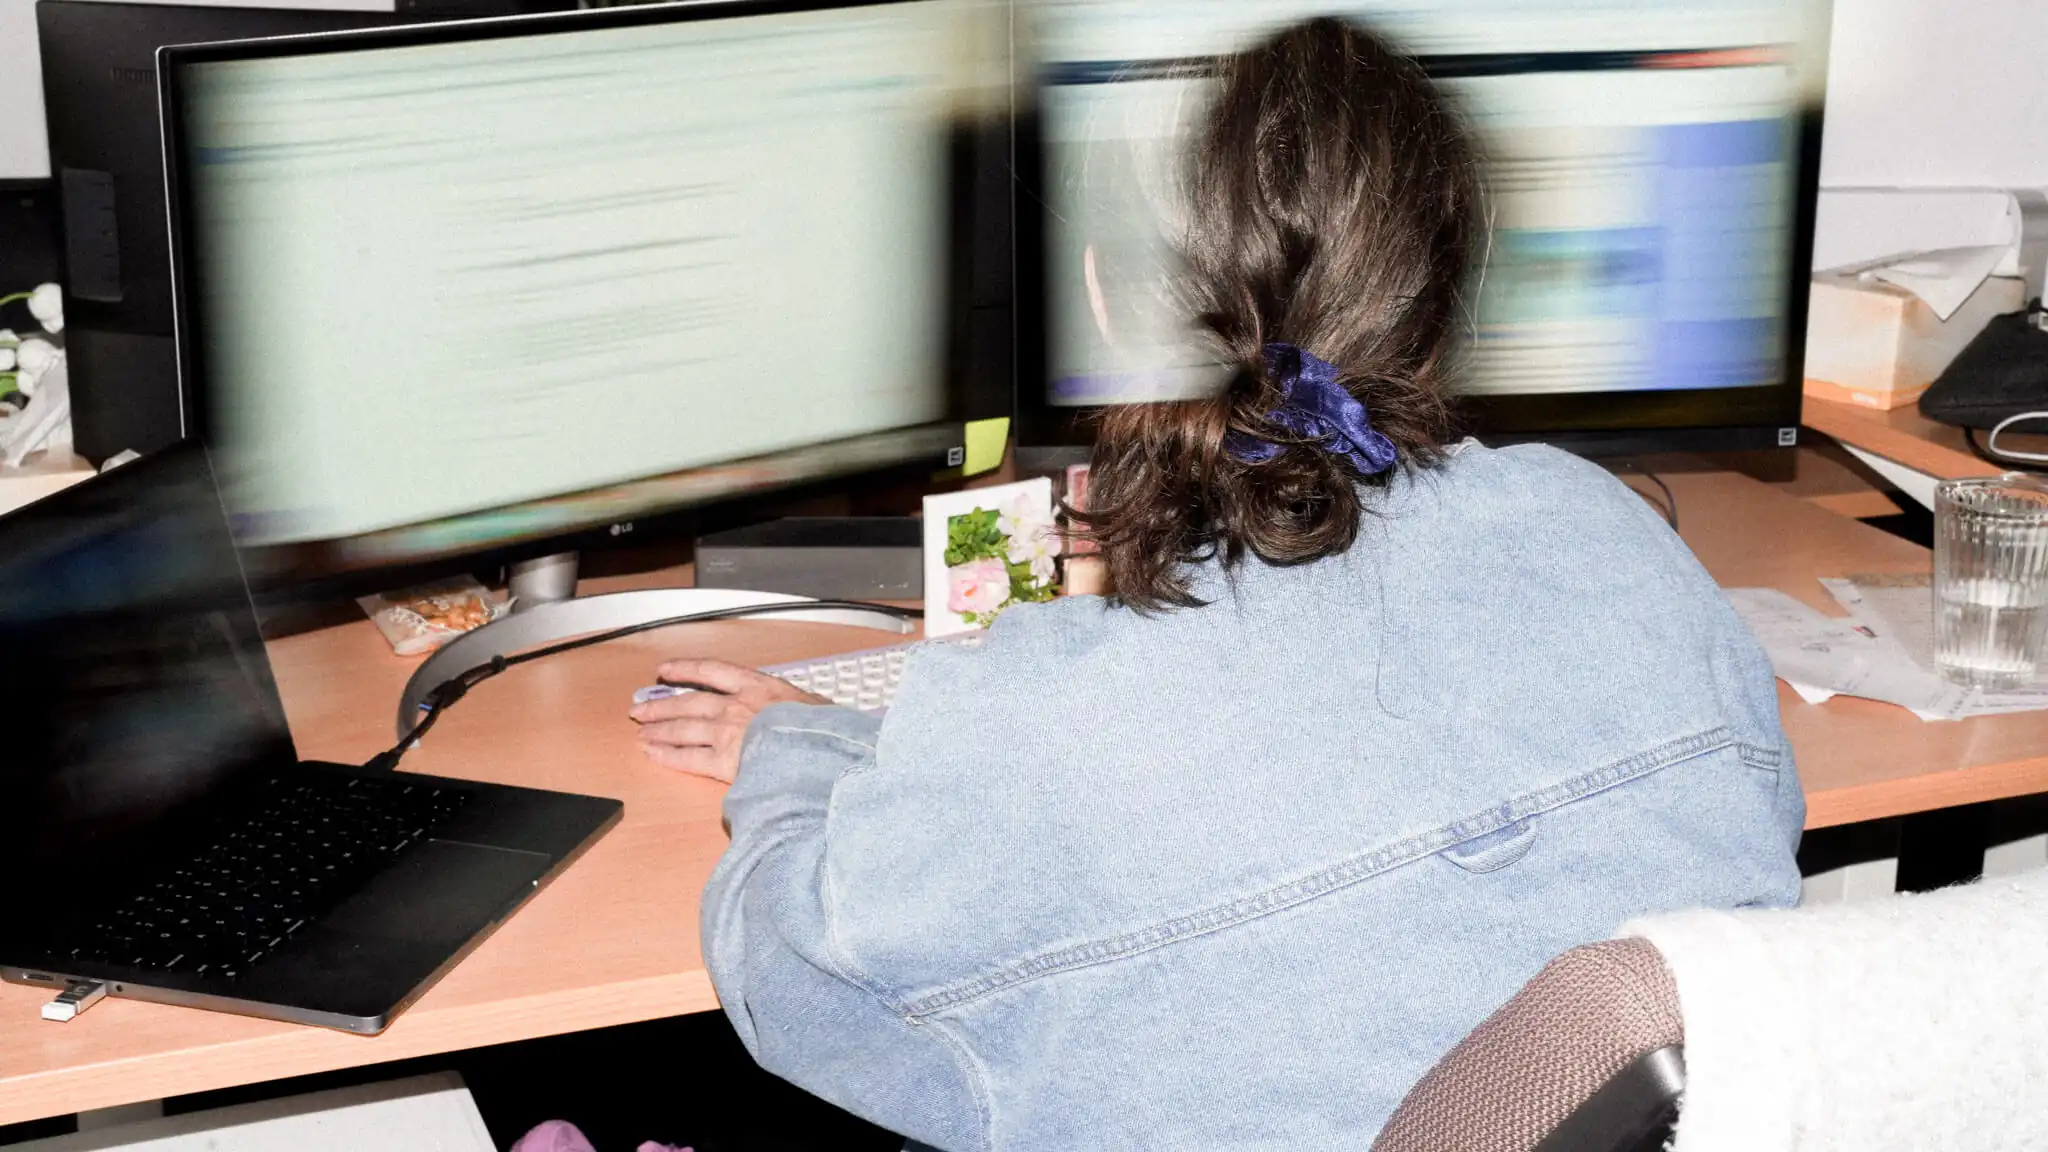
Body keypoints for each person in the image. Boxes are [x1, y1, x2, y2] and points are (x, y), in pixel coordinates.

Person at [632, 17, 1802, 1150]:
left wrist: (796, 762)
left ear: (1101, 300)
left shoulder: (1048, 718)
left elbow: (804, 992)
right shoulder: (1611, 540)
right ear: (1441, 291)